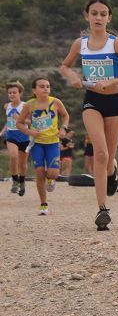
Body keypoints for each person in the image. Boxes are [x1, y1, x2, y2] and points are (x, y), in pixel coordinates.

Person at [59, 0, 118, 231]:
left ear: (109, 18)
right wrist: (74, 77)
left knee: (108, 159)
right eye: (94, 13)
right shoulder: (80, 44)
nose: (98, 17)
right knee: (99, 153)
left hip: (114, 101)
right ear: (86, 15)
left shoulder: (116, 44)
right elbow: (64, 66)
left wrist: (113, 80)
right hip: (92, 101)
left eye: (103, 14)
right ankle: (102, 210)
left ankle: (112, 171)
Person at [16, 78, 71, 216]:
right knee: (39, 173)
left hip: (52, 142)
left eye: (47, 86)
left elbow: (65, 115)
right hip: (37, 143)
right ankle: (43, 204)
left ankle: (51, 179)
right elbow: (19, 123)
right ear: (34, 90)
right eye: (42, 86)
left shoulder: (56, 102)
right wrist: (29, 131)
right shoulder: (29, 105)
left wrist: (63, 128)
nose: (45, 88)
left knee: (53, 173)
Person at [3, 81, 30, 196]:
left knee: (22, 163)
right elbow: (8, 121)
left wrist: (20, 118)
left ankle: (22, 182)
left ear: (20, 93)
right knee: (13, 157)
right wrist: (2, 131)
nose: (12, 95)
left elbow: (31, 122)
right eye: (10, 93)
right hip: (11, 135)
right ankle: (15, 181)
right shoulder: (6, 106)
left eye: (14, 92)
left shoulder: (25, 106)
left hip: (24, 135)